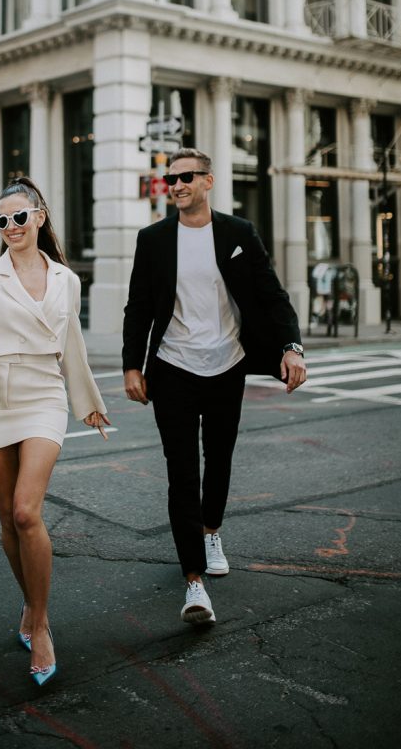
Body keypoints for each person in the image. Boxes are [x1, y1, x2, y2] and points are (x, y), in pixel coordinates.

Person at [122, 148, 306, 625]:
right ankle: (194, 583)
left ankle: (211, 531)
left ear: (209, 181)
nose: (177, 185)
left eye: (186, 177)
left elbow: (273, 295)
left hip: (228, 364)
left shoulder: (239, 233)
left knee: (219, 455)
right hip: (173, 367)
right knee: (182, 471)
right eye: (171, 179)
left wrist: (292, 347)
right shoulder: (155, 239)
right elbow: (138, 307)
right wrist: (131, 366)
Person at [0, 177, 110, 686]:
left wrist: (88, 402)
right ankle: (31, 604)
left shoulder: (66, 279)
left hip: (42, 394)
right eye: (1, 221)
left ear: (39, 217)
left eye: (19, 218)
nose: (11, 227)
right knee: (6, 519)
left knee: (25, 511)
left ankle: (40, 626)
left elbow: (72, 346)